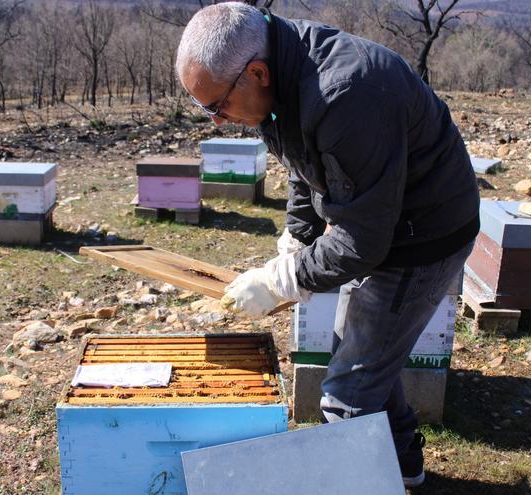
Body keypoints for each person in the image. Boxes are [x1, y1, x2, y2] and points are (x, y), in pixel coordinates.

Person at [176, 2, 479, 487]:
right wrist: (298, 235)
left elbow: (363, 243)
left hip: (423, 237)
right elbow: (304, 164)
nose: (216, 120)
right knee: (364, 354)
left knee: (347, 391)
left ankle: (365, 479)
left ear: (256, 72)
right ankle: (403, 467)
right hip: (385, 222)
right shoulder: (282, 72)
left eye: (217, 105)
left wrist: (284, 279)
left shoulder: (344, 93)